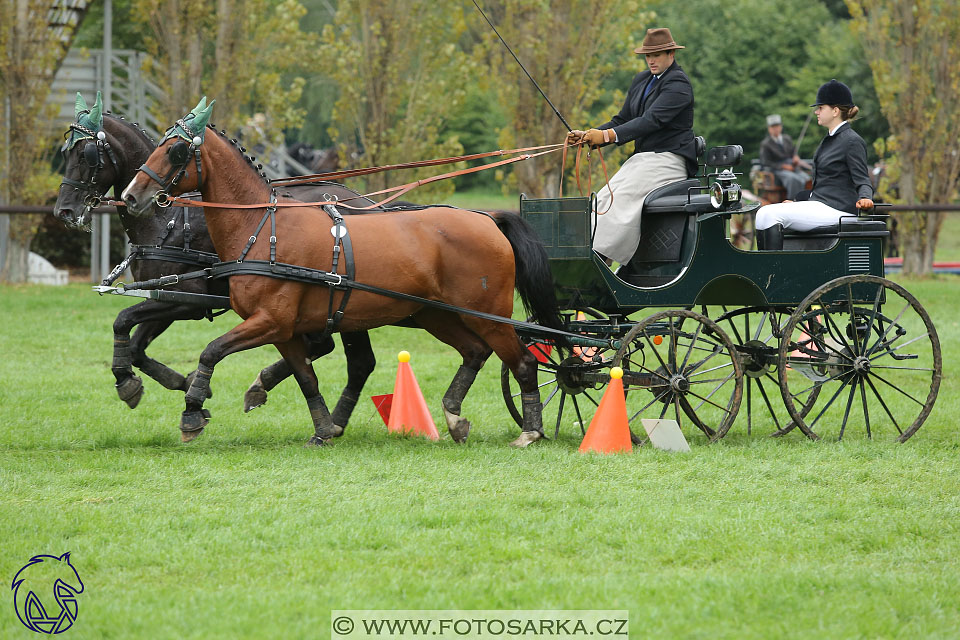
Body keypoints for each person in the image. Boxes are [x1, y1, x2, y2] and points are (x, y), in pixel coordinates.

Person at [566, 27, 697, 264]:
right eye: (648, 55)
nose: (651, 60)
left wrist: (605, 136)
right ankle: (586, 256)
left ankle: (601, 260)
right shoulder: (641, 80)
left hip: (669, 160)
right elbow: (623, 119)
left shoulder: (679, 84)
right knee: (602, 199)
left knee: (621, 200)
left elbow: (651, 121)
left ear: (671, 54)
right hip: (642, 161)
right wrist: (589, 135)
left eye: (656, 55)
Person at [755, 80, 874, 250]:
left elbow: (862, 179)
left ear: (835, 111)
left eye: (820, 108)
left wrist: (865, 198)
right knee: (766, 213)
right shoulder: (829, 140)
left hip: (839, 210)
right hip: (822, 206)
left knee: (766, 214)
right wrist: (798, 202)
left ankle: (770, 274)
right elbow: (824, 185)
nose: (817, 112)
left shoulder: (852, 141)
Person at [759, 114, 811, 200]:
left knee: (806, 178)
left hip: (792, 166)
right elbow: (766, 162)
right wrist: (783, 166)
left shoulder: (787, 139)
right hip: (777, 170)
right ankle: (793, 200)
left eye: (777, 126)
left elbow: (793, 153)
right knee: (793, 179)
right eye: (773, 127)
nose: (776, 129)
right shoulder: (766, 144)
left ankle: (807, 200)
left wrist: (795, 158)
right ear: (769, 129)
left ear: (781, 127)